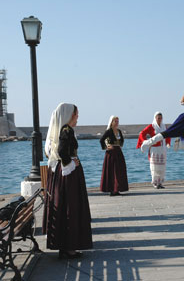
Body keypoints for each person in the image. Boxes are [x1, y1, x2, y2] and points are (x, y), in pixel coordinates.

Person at [42, 103, 92, 259]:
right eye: (76, 114)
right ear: (69, 115)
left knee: (65, 207)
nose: (77, 117)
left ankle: (65, 245)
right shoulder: (66, 130)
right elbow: (62, 151)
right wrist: (71, 163)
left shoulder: (65, 130)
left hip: (66, 174)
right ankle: (69, 247)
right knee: (71, 207)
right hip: (68, 176)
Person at [137, 112, 171, 189]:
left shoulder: (164, 126)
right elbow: (142, 133)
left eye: (161, 118)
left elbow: (168, 135)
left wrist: (168, 143)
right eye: (158, 118)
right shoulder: (152, 126)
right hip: (154, 149)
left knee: (162, 167)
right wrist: (145, 141)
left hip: (162, 149)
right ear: (155, 118)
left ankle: (160, 183)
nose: (159, 119)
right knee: (154, 167)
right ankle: (155, 183)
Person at [99, 116, 129, 195]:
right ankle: (112, 189)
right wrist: (106, 147)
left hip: (118, 152)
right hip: (111, 153)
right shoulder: (109, 131)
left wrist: (119, 145)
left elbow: (122, 140)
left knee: (119, 170)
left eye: (117, 121)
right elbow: (101, 140)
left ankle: (117, 188)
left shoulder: (119, 131)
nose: (116, 123)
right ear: (111, 122)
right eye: (115, 121)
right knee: (112, 171)